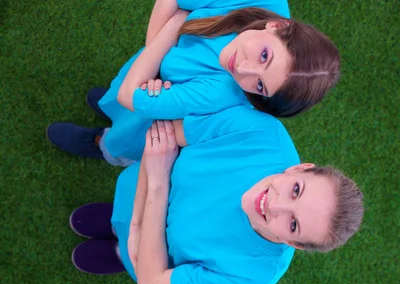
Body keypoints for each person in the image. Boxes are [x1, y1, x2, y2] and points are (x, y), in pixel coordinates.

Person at [70, 118, 364, 284]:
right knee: (111, 215)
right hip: (135, 190)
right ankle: (116, 225)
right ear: (301, 168)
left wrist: (159, 184)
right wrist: (134, 224)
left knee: (120, 251)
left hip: (140, 253)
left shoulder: (255, 276)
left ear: (294, 244)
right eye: (296, 190)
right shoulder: (264, 134)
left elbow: (152, 283)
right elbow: (166, 132)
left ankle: (119, 255)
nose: (274, 204)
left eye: (293, 223)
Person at [47, 1, 340, 164]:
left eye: (261, 86)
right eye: (264, 56)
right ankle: (108, 110)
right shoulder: (267, 3)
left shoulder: (220, 93)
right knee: (117, 97)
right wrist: (153, 63)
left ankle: (102, 145)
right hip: (152, 80)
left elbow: (131, 96)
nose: (245, 71)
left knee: (126, 129)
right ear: (278, 25)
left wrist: (173, 27)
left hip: (154, 116)